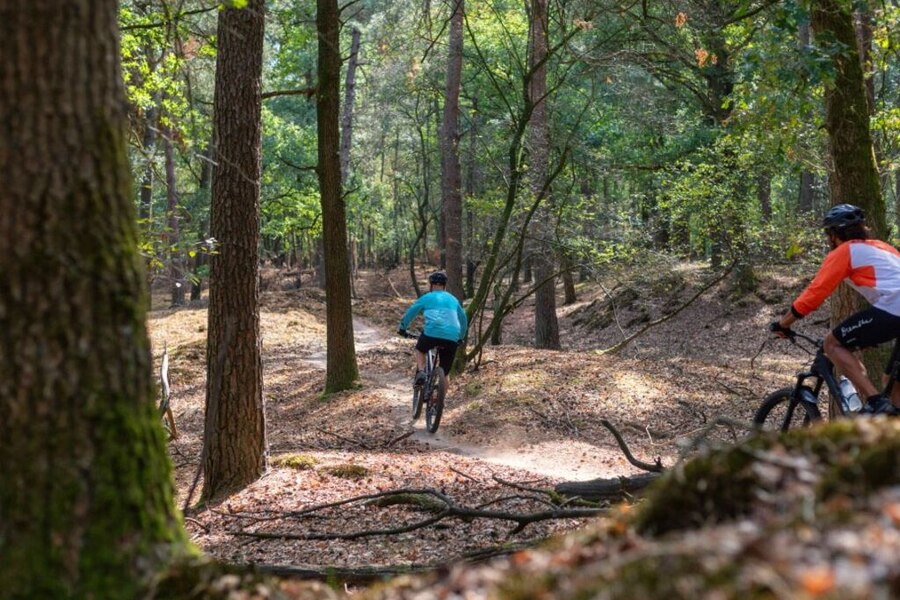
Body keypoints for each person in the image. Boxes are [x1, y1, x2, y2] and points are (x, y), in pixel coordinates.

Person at [771, 203, 900, 415]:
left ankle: (875, 401)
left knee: (831, 344)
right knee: (893, 385)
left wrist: (783, 324)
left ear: (833, 235)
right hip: (893, 310)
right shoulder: (883, 247)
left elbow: (815, 293)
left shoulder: (845, 251)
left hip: (894, 308)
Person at [398, 271, 468, 386]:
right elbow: (463, 320)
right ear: (444, 285)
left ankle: (421, 372)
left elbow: (411, 313)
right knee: (445, 374)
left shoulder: (426, 297)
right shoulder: (453, 299)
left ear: (431, 285)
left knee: (420, 349)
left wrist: (402, 328)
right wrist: (460, 337)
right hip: (452, 337)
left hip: (431, 334)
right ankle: (441, 396)